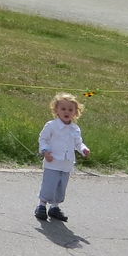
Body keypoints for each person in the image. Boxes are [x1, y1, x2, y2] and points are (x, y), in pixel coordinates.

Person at [35, 92, 90, 223]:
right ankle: (41, 206)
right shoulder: (52, 126)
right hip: (52, 161)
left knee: (60, 187)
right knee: (49, 185)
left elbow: (78, 143)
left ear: (76, 112)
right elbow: (43, 139)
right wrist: (45, 151)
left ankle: (54, 208)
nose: (67, 112)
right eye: (63, 109)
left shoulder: (75, 129)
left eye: (70, 110)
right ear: (56, 110)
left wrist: (83, 149)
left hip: (66, 164)